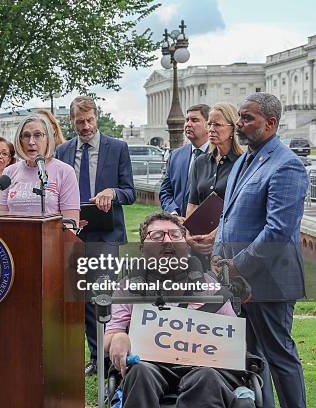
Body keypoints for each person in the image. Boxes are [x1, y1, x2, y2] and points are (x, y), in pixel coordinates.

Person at [212, 93, 307, 408]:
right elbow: (228, 219)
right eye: (239, 116)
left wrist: (236, 266)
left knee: (279, 356)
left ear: (271, 123)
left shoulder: (288, 166)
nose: (239, 124)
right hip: (237, 280)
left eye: (247, 118)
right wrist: (215, 254)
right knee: (252, 357)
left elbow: (278, 231)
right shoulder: (243, 160)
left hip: (269, 282)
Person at [104, 212, 238, 408]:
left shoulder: (210, 287)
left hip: (202, 367)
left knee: (207, 377)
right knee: (140, 372)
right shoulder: (128, 287)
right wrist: (117, 338)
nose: (168, 241)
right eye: (157, 236)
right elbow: (110, 334)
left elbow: (234, 339)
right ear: (143, 249)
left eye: (175, 235)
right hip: (149, 366)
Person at [55, 95, 135, 376]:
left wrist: (112, 193)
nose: (85, 126)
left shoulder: (117, 148)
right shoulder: (63, 150)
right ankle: (96, 356)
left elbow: (130, 192)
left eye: (89, 121)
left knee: (103, 294)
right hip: (73, 233)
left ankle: (111, 352)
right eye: (80, 122)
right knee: (82, 297)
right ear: (72, 121)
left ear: (96, 117)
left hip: (107, 233)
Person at [0, 113, 80, 223]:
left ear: (48, 139)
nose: (31, 142)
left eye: (37, 135)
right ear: (20, 140)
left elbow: (71, 224)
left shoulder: (65, 172)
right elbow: (0, 219)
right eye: (26, 136)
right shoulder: (9, 172)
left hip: (51, 239)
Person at [185, 103, 242, 256]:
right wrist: (189, 235)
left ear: (233, 129)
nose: (211, 129)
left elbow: (240, 210)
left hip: (229, 245)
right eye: (209, 124)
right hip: (199, 242)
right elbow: (193, 203)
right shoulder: (200, 162)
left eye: (217, 124)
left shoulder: (243, 163)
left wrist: (216, 235)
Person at [159, 104, 210, 219]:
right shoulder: (176, 155)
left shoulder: (217, 156)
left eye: (194, 120)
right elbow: (165, 191)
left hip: (206, 228)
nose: (188, 124)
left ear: (208, 125)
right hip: (177, 227)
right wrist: (173, 214)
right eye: (187, 120)